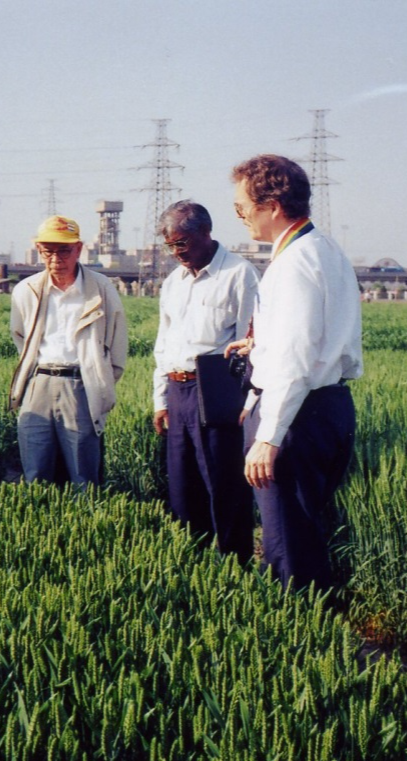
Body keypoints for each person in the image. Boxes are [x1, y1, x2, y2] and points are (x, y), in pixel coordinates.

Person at [228, 154, 363, 589]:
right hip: (328, 407)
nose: (241, 215)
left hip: (297, 416)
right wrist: (259, 345)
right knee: (299, 531)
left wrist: (269, 436)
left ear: (272, 204)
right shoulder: (325, 250)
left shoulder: (293, 264)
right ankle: (312, 628)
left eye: (242, 206)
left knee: (286, 543)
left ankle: (298, 634)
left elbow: (296, 360)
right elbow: (317, 337)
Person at [152, 200, 259, 561]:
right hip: (177, 389)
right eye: (170, 246)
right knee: (183, 489)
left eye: (182, 243)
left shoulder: (239, 274)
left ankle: (236, 566)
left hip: (216, 388)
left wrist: (246, 403)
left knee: (224, 485)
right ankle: (194, 569)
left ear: (205, 233)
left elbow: (251, 343)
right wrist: (160, 400)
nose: (177, 253)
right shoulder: (173, 282)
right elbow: (163, 345)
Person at [9, 215, 128, 485]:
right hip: (38, 383)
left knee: (83, 471)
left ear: (79, 249)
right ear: (39, 250)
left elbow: (117, 345)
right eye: (48, 251)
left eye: (64, 250)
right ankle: (40, 521)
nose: (56, 258)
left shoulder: (101, 289)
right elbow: (20, 337)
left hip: (81, 386)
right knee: (36, 468)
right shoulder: (25, 291)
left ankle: (84, 522)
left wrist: (100, 382)